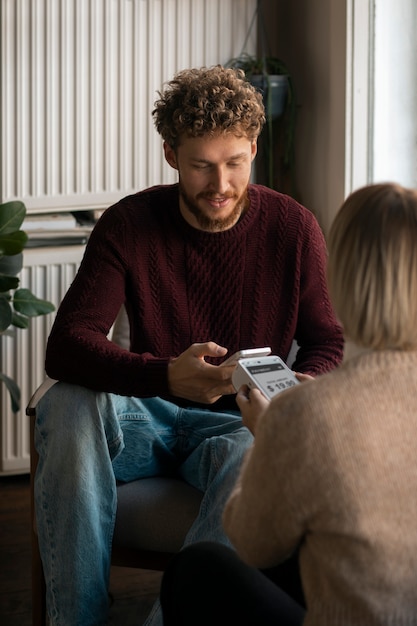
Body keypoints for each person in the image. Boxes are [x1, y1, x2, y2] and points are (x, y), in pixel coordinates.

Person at [33, 64, 343, 626]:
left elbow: (326, 340)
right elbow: (67, 347)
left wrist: (304, 384)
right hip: (145, 418)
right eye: (201, 165)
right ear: (172, 154)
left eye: (235, 163)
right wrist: (164, 378)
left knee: (257, 452)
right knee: (66, 402)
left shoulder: (295, 228)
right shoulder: (129, 223)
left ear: (254, 145)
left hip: (235, 423)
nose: (220, 185)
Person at [160, 182, 417, 625]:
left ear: (342, 280)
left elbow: (253, 541)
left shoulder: (306, 414)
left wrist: (272, 435)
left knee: (196, 570)